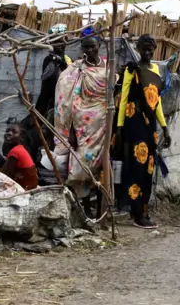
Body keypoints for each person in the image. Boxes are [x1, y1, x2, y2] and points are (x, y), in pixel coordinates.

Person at [116, 34, 171, 228]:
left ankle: (141, 211)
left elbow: (156, 102)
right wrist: (120, 127)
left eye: (150, 49)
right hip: (134, 122)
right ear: (138, 49)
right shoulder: (132, 69)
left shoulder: (156, 69)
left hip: (150, 127)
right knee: (135, 167)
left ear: (154, 50)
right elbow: (123, 99)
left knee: (148, 168)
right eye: (144, 49)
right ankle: (138, 213)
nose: (147, 53)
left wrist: (164, 126)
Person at [54, 35, 108, 217]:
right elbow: (68, 103)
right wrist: (70, 132)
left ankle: (100, 210)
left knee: (102, 168)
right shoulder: (76, 70)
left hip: (102, 128)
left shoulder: (108, 68)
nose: (89, 50)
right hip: (81, 129)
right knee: (81, 168)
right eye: (86, 47)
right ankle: (84, 209)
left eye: (92, 47)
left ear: (99, 46)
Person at [36, 43, 72, 116]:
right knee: (46, 108)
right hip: (50, 89)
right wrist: (56, 61)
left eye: (61, 44)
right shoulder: (48, 59)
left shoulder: (68, 59)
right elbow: (46, 75)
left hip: (63, 91)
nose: (59, 46)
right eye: (56, 43)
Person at [2, 123, 38, 190]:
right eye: (7, 131)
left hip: (25, 187)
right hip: (30, 184)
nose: (9, 133)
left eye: (14, 132)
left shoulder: (15, 152)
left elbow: (7, 176)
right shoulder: (18, 149)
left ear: (21, 137)